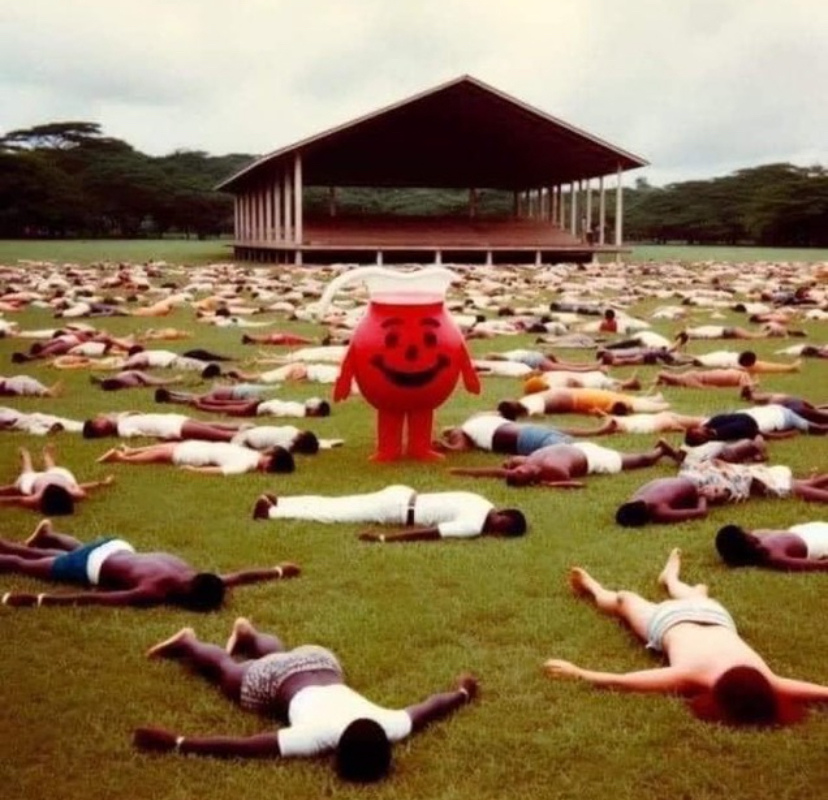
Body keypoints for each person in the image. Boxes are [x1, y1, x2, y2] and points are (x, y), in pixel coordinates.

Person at [132, 619, 478, 781]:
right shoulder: (317, 736)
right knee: (227, 672)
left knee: (280, 655)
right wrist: (176, 742)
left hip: (322, 660)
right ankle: (190, 643)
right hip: (275, 678)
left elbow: (431, 707)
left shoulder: (391, 724)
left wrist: (463, 692)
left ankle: (251, 635)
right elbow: (245, 746)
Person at [543, 548, 828, 725]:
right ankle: (671, 579)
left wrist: (578, 672)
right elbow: (821, 692)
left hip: (675, 620)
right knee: (693, 596)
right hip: (711, 617)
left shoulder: (695, 674)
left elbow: (625, 681)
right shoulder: (768, 681)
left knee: (624, 599)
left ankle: (594, 587)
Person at [0, 519, 299, 609]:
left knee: (65, 553)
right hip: (91, 564)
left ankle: (49, 536)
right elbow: (97, 598)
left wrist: (278, 571)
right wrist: (39, 599)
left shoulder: (191, 573)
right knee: (21, 563)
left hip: (117, 546)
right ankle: (23, 545)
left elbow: (239, 577)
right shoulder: (155, 590)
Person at [251, 484, 527, 542]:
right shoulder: (474, 525)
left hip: (403, 496)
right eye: (501, 526)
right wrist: (385, 538)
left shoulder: (481, 501)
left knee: (339, 503)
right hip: (397, 509)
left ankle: (280, 502)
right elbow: (431, 533)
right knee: (336, 512)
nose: (496, 529)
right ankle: (272, 513)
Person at [448, 439, 681, 488]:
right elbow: (578, 484)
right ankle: (662, 449)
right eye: (520, 473)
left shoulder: (525, 462)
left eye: (517, 469)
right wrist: (549, 486)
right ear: (529, 479)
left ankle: (661, 449)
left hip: (581, 449)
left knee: (639, 459)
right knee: (639, 459)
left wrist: (463, 470)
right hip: (590, 457)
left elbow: (496, 472)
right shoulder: (550, 473)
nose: (519, 468)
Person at [0, 445, 114, 515]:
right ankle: (46, 456)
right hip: (60, 476)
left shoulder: (37, 498)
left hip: (33, 481)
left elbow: (15, 499)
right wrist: (103, 483)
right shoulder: (76, 494)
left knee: (27, 473)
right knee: (54, 469)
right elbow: (82, 486)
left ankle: (26, 457)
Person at [434, 413, 614, 455]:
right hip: (526, 431)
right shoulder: (482, 418)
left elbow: (459, 448)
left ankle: (600, 434)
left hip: (522, 438)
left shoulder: (463, 429)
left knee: (577, 452)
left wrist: (443, 446)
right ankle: (598, 431)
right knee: (567, 440)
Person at [97, 440, 295, 475]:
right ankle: (130, 452)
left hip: (201, 454)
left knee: (165, 452)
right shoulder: (253, 456)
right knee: (168, 447)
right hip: (203, 449)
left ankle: (121, 458)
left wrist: (195, 470)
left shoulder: (248, 462)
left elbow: (220, 471)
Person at [496, 387, 670, 420]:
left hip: (570, 395)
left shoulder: (527, 403)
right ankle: (653, 402)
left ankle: (652, 400)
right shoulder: (530, 406)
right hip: (572, 398)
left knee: (616, 397)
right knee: (621, 400)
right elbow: (536, 415)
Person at [716, 522, 828, 571]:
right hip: (817, 543)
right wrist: (822, 563)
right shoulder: (772, 555)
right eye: (744, 533)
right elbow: (819, 565)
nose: (748, 531)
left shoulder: (758, 536)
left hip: (803, 531)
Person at [155, 387, 331, 418]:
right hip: (255, 406)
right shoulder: (300, 410)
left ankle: (172, 397)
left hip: (255, 406)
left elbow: (275, 410)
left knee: (210, 405)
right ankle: (173, 396)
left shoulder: (299, 410)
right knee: (211, 406)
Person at [615, 477, 709, 527]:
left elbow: (701, 512)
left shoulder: (658, 512)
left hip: (699, 482)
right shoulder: (635, 497)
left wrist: (702, 495)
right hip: (681, 477)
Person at [652, 367, 754, 390]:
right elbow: (705, 388)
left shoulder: (686, 378)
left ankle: (749, 383)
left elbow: (704, 388)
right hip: (716, 376)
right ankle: (749, 383)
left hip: (716, 376)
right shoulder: (686, 378)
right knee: (742, 376)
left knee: (742, 376)